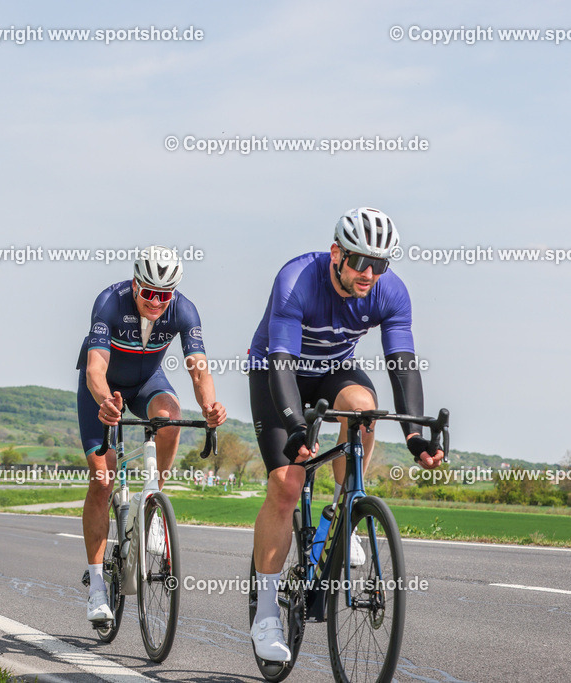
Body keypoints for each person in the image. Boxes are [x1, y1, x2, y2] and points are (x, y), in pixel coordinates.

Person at [247, 207, 444, 661]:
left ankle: (345, 504)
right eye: (360, 262)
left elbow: (402, 364)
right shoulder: (296, 279)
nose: (369, 274)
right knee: (287, 484)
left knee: (364, 408)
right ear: (337, 253)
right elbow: (280, 363)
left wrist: (415, 435)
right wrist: (296, 425)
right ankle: (266, 614)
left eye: (381, 264)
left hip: (334, 370)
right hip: (281, 373)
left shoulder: (389, 292)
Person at [78, 246, 227, 622]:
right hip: (103, 387)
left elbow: (199, 370)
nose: (157, 302)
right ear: (135, 284)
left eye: (165, 295)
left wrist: (210, 405)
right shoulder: (110, 302)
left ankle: (154, 506)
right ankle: (97, 587)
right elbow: (96, 368)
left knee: (170, 417)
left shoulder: (184, 310)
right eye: (149, 293)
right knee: (102, 478)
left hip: (146, 382)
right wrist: (103, 401)